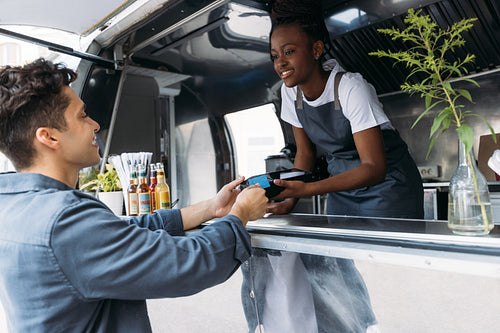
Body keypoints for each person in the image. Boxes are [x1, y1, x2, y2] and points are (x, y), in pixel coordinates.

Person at [0, 58, 268, 333]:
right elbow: (188, 263)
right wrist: (242, 213)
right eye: (82, 116)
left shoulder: (14, 204)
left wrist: (212, 208)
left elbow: (119, 232)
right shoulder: (62, 221)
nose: (94, 125)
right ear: (49, 137)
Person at [241, 1, 424, 332]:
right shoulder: (289, 93)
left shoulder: (350, 87)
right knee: (335, 265)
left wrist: (309, 189)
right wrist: (289, 199)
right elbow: (305, 157)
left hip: (388, 188)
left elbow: (373, 166)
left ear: (316, 49)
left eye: (289, 51)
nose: (280, 61)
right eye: (274, 55)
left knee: (390, 275)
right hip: (344, 185)